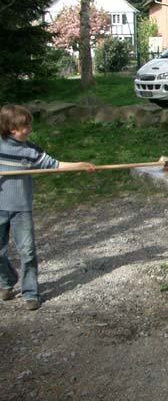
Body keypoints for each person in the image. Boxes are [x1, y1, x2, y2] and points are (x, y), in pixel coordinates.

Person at [0, 104, 95, 310]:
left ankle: (30, 292)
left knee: (27, 252)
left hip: (21, 208)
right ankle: (7, 280)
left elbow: (55, 165)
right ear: (11, 129)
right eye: (25, 126)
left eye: (29, 125)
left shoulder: (30, 151)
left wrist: (79, 165)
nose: (29, 129)